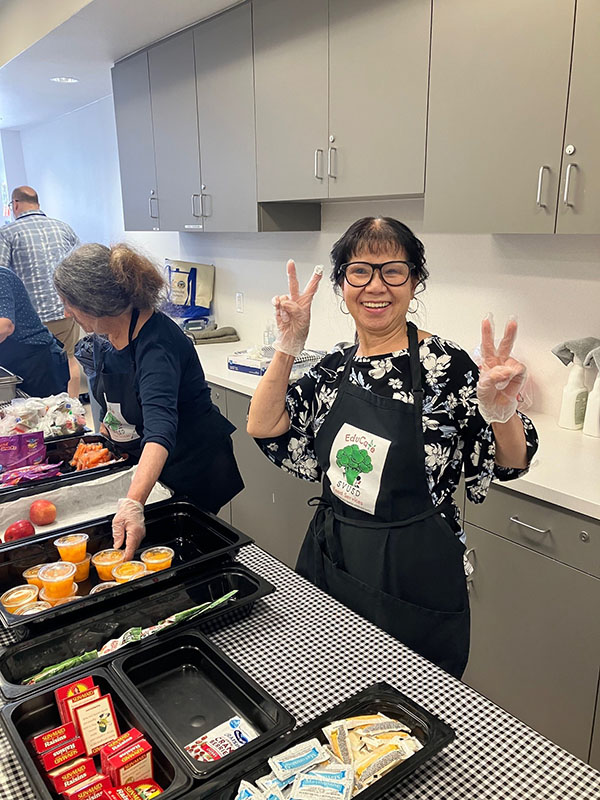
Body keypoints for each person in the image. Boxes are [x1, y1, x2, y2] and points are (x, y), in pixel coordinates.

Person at [247, 217, 538, 679]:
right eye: (359, 271)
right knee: (322, 688)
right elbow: (264, 426)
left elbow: (511, 461)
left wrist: (502, 415)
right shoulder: (332, 368)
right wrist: (288, 345)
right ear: (342, 283)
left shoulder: (447, 366)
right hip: (334, 553)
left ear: (414, 281)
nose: (375, 286)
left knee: (414, 704)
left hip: (415, 567)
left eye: (393, 271)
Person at [53, 243, 244, 560]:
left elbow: (160, 427)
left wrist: (133, 503)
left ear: (96, 304)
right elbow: (118, 401)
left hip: (191, 467)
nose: (65, 313)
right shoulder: (105, 335)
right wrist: (111, 430)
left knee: (191, 558)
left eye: (69, 304)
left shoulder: (158, 346)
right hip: (149, 467)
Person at [0, 186, 81, 397]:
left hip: (28, 318)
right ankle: (73, 410)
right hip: (66, 310)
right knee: (68, 358)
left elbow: (2, 274)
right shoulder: (63, 228)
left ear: (15, 204)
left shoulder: (7, 233)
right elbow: (80, 267)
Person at [0, 267, 69, 395]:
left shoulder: (1, 277)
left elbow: (5, 326)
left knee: (49, 412)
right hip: (11, 362)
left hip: (36, 362)